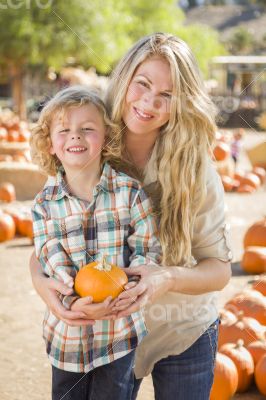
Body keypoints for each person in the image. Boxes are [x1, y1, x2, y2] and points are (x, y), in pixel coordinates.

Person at [29, 33, 232, 400]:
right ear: (125, 77)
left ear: (180, 103)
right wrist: (43, 287)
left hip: (182, 327)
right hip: (109, 332)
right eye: (143, 84)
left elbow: (219, 269)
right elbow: (50, 234)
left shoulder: (195, 166)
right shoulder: (86, 136)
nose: (149, 102)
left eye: (167, 95)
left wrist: (166, 278)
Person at [30, 86, 161, 400]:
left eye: (87, 129)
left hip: (119, 332)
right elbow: (50, 255)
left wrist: (130, 288)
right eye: (65, 130)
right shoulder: (44, 204)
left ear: (106, 138)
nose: (76, 136)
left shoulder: (129, 193)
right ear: (50, 144)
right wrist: (72, 298)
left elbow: (146, 249)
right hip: (69, 334)